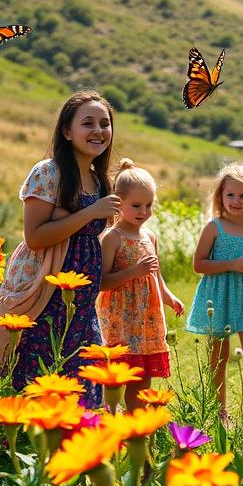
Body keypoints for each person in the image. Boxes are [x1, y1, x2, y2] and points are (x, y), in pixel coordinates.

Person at [0, 90, 120, 404]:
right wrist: (89, 212)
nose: (98, 130)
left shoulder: (98, 179)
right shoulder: (48, 173)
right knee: (36, 380)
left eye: (104, 123)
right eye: (88, 123)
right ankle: (22, 448)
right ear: (67, 131)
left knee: (85, 385)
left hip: (82, 302)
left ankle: (78, 449)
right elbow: (35, 236)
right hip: (46, 295)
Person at [185, 163, 243, 422]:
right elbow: (199, 265)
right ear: (220, 196)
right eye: (230, 195)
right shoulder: (214, 227)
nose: (236, 200)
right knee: (219, 357)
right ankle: (220, 410)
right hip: (218, 296)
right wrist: (231, 265)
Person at [96, 159, 184, 410]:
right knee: (118, 375)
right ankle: (111, 418)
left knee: (143, 374)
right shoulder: (112, 238)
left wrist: (169, 297)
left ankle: (136, 424)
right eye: (136, 205)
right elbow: (102, 282)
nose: (143, 212)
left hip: (147, 320)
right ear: (118, 203)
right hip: (120, 320)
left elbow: (156, 276)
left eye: (148, 205)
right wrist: (135, 271)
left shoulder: (150, 236)